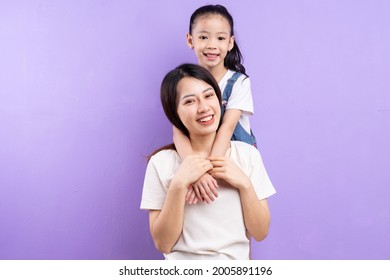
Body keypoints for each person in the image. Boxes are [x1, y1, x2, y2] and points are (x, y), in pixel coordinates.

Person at [140, 63, 275, 260]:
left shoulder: (247, 155)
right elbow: (163, 243)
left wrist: (244, 184)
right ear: (174, 112)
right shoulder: (160, 162)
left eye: (209, 95)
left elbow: (261, 232)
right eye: (189, 102)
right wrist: (179, 185)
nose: (204, 108)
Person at [174, 4, 257, 204]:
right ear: (190, 40)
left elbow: (227, 129)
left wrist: (207, 174)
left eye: (220, 38)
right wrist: (194, 173)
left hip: (234, 158)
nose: (212, 45)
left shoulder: (239, 82)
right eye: (203, 37)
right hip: (199, 156)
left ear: (230, 43)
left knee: (241, 209)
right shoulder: (183, 83)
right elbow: (178, 131)